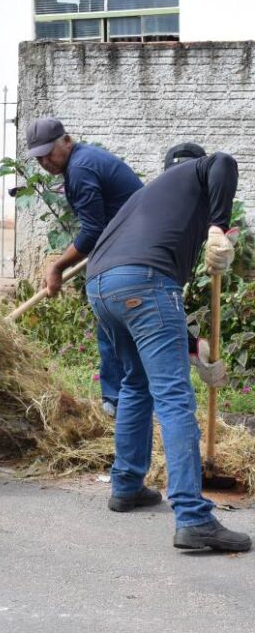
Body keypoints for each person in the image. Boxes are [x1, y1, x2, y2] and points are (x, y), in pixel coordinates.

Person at [84, 146, 250, 551]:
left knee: (136, 383)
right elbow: (223, 162)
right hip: (143, 283)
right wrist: (218, 227)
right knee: (174, 398)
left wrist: (194, 349)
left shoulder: (150, 202)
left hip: (101, 287)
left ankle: (126, 486)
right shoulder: (197, 172)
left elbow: (146, 308)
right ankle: (193, 518)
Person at [25, 117, 143, 417]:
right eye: (38, 157)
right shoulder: (85, 160)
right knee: (114, 325)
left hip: (129, 251)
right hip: (127, 245)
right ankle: (119, 399)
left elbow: (92, 231)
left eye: (48, 153)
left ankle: (119, 402)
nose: (44, 161)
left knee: (112, 319)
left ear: (66, 141)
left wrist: (57, 267)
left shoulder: (81, 168)